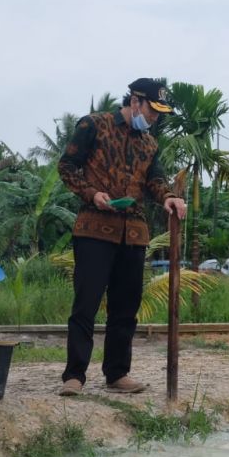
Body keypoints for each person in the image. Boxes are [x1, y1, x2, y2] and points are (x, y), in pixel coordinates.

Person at [58, 78, 186, 396]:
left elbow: (155, 179)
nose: (154, 118)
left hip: (134, 233)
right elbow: (67, 165)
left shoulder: (149, 144)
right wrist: (91, 193)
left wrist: (168, 196)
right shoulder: (94, 125)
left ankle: (117, 373)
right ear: (134, 102)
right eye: (152, 111)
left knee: (125, 308)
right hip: (94, 228)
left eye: (159, 114)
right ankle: (74, 376)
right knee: (85, 303)